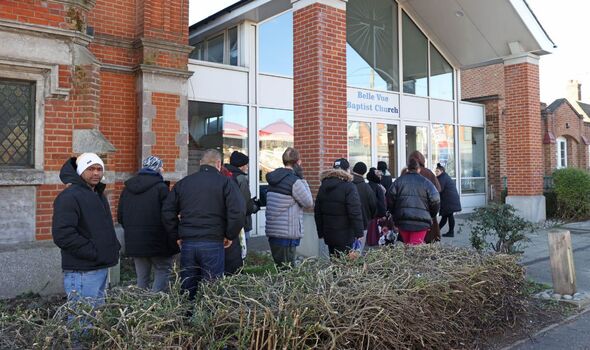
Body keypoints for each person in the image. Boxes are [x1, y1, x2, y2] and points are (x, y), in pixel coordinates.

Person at [161, 149, 245, 299]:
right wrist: (229, 234)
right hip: (213, 242)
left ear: (200, 163)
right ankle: (210, 320)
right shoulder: (226, 183)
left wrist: (177, 235)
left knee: (188, 288)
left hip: (188, 243)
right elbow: (238, 211)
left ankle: (186, 318)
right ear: (219, 164)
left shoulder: (183, 183)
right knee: (212, 290)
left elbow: (167, 212)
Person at [52, 153, 120, 308]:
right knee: (83, 323)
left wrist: (113, 247)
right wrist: (93, 252)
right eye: (90, 169)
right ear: (81, 171)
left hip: (99, 267)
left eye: (99, 169)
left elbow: (102, 228)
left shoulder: (97, 194)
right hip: (82, 271)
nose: (96, 173)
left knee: (95, 318)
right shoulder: (69, 196)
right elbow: (63, 234)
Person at [117, 156, 179, 292]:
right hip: (159, 240)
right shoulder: (161, 188)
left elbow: (120, 217)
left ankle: (142, 306)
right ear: (157, 169)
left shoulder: (127, 189)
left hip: (135, 241)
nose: (163, 170)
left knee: (142, 277)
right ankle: (154, 305)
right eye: (161, 167)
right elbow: (168, 216)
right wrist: (175, 236)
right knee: (162, 270)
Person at [265, 147, 314, 268]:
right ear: (298, 162)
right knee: (288, 272)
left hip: (274, 232)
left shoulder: (274, 178)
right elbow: (308, 202)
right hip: (287, 234)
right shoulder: (294, 181)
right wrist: (302, 179)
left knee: (281, 269)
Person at [314, 158, 364, 257]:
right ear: (347, 170)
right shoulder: (349, 187)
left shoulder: (323, 186)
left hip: (329, 235)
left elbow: (317, 212)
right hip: (346, 236)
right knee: (345, 266)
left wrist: (321, 233)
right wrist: (359, 233)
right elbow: (354, 212)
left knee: (335, 263)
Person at [387, 157, 440, 245]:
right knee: (415, 248)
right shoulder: (427, 183)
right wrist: (431, 214)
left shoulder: (398, 182)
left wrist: (394, 213)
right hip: (421, 222)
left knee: (407, 245)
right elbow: (435, 200)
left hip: (402, 219)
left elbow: (390, 199)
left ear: (408, 169)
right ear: (419, 169)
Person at [224, 151, 260, 274]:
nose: (248, 167)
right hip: (242, 223)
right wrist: (255, 206)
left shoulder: (224, 175)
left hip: (227, 221)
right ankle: (238, 275)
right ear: (241, 165)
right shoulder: (241, 178)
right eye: (246, 164)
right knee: (241, 252)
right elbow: (246, 205)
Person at [406, 151, 442, 243]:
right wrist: (433, 211)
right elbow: (437, 190)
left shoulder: (405, 173)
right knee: (425, 240)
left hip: (407, 211)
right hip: (425, 210)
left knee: (409, 241)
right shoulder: (428, 173)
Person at [351, 162, 377, 247]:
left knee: (347, 252)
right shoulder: (367, 188)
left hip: (348, 223)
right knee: (358, 251)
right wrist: (370, 217)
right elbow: (373, 205)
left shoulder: (347, 185)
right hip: (363, 222)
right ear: (364, 172)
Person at [435, 163, 462, 238]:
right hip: (450, 200)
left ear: (442, 171)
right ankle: (447, 232)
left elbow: (439, 189)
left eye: (437, 171)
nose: (436, 173)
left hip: (449, 201)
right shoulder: (443, 177)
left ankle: (437, 232)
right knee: (447, 216)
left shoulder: (442, 178)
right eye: (435, 171)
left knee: (447, 216)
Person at [365, 167, 388, 247]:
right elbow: (381, 203)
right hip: (375, 214)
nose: (381, 177)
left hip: (366, 214)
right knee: (374, 234)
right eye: (379, 176)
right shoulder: (378, 188)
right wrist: (383, 214)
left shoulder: (366, 186)